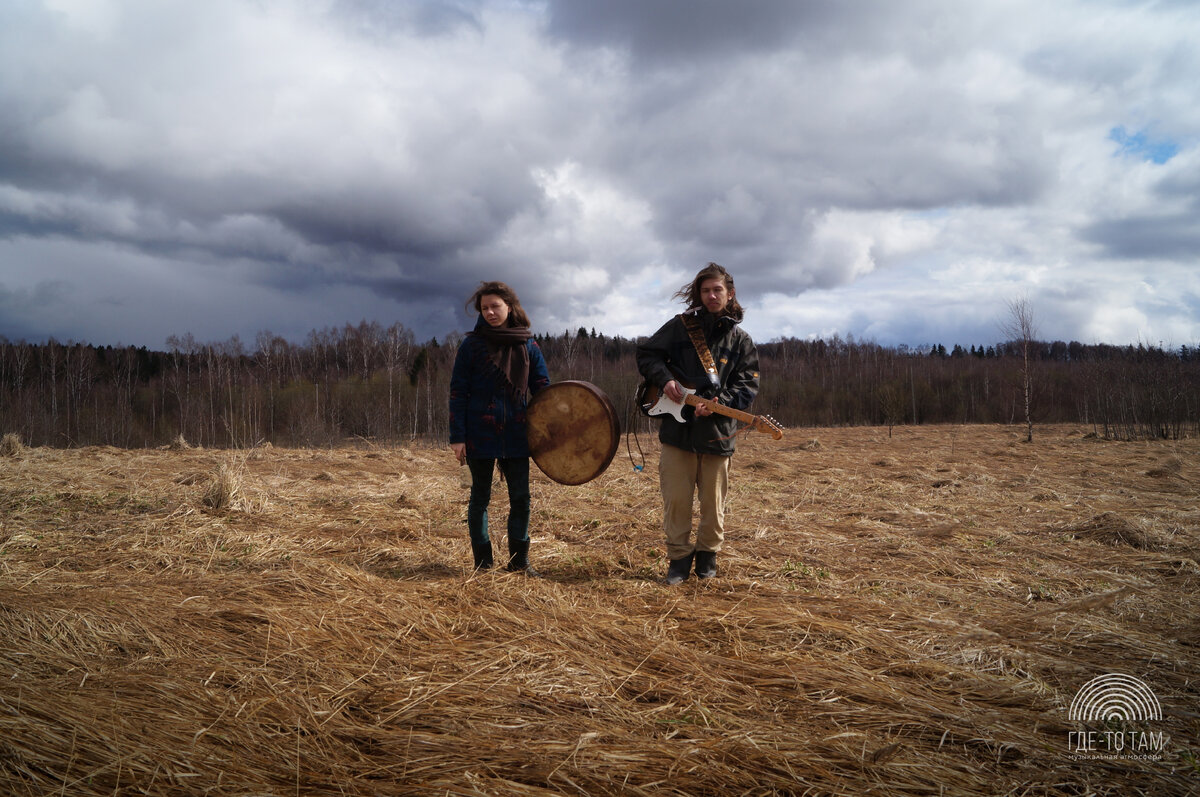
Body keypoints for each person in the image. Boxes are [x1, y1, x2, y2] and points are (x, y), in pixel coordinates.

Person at [636, 263, 760, 585]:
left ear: (730, 294)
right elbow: (647, 355)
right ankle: (678, 560)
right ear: (699, 294)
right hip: (677, 433)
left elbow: (748, 384)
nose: (711, 295)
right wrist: (664, 381)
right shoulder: (679, 328)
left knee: (713, 506)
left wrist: (723, 403)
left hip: (718, 436)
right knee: (676, 501)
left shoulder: (741, 341)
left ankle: (707, 557)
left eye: (717, 289)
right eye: (706, 290)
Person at [449, 281, 551, 574]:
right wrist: (458, 437)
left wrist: (552, 428)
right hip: (478, 434)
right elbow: (458, 392)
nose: (490, 312)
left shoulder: (528, 345)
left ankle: (519, 562)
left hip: (519, 434)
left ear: (510, 306)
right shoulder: (471, 346)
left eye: (495, 306)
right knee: (479, 498)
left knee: (521, 498)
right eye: (485, 308)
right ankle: (482, 563)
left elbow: (543, 391)